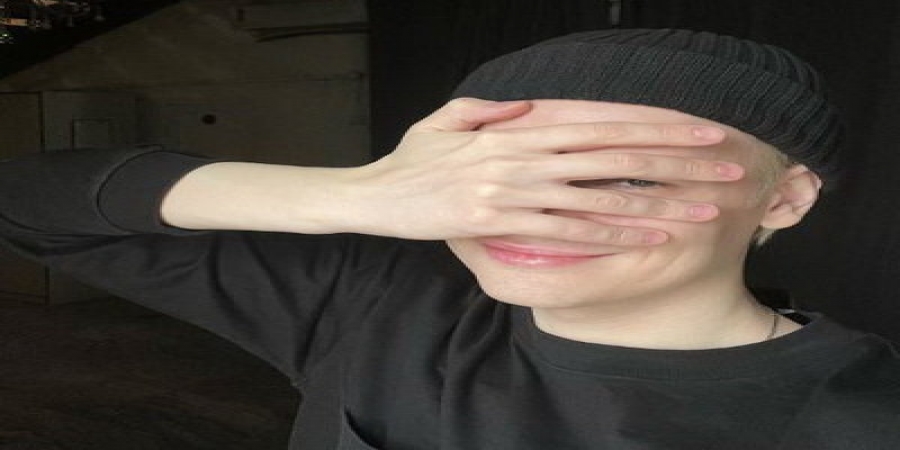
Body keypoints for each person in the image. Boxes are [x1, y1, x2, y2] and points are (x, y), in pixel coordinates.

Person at [1, 28, 898, 449]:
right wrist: (359, 194)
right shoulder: (380, 303)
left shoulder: (863, 418)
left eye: (632, 176)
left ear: (785, 200)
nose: (531, 214)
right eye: (498, 174)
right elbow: (30, 203)